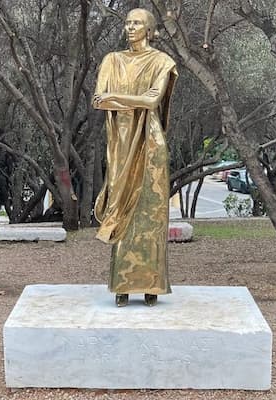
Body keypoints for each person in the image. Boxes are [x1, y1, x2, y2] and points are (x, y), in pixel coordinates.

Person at [92, 8, 178, 307]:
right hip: (120, 142)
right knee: (122, 207)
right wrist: (132, 101)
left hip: (150, 143)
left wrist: (117, 98)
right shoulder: (112, 60)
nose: (130, 27)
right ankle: (123, 285)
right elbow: (98, 100)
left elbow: (153, 100)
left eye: (137, 23)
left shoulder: (161, 61)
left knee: (151, 213)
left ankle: (152, 285)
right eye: (127, 22)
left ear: (150, 29)